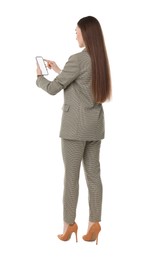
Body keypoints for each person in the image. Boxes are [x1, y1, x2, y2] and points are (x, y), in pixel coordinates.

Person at [36, 15, 112, 245]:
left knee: (71, 178)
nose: (75, 34)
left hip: (73, 130)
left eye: (77, 31)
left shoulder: (77, 59)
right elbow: (80, 83)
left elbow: (52, 89)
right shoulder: (100, 59)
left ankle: (69, 225)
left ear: (86, 34)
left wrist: (39, 77)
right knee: (93, 176)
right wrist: (60, 68)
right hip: (94, 126)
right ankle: (94, 224)